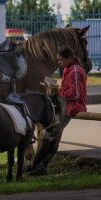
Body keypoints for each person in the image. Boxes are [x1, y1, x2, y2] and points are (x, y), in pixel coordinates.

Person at [27, 46, 87, 176]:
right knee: (47, 134)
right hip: (63, 102)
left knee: (53, 134)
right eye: (58, 60)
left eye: (60, 60)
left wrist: (57, 90)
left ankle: (42, 165)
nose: (59, 62)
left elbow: (75, 94)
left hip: (72, 105)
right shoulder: (68, 68)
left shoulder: (75, 71)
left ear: (69, 58)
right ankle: (34, 165)